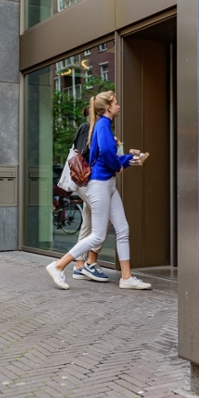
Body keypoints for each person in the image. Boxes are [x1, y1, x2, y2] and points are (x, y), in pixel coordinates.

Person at [46, 91, 151, 290]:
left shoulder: (102, 126)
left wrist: (126, 160)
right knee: (97, 235)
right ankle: (58, 266)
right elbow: (107, 154)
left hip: (108, 184)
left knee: (122, 229)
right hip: (100, 185)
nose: (119, 106)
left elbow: (102, 155)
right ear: (108, 107)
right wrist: (121, 162)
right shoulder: (103, 125)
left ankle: (126, 277)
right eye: (116, 103)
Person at [71, 108, 109, 282]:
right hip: (88, 182)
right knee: (106, 216)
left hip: (88, 182)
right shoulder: (88, 128)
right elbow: (83, 154)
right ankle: (90, 263)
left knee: (87, 221)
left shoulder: (89, 128)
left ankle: (79, 265)